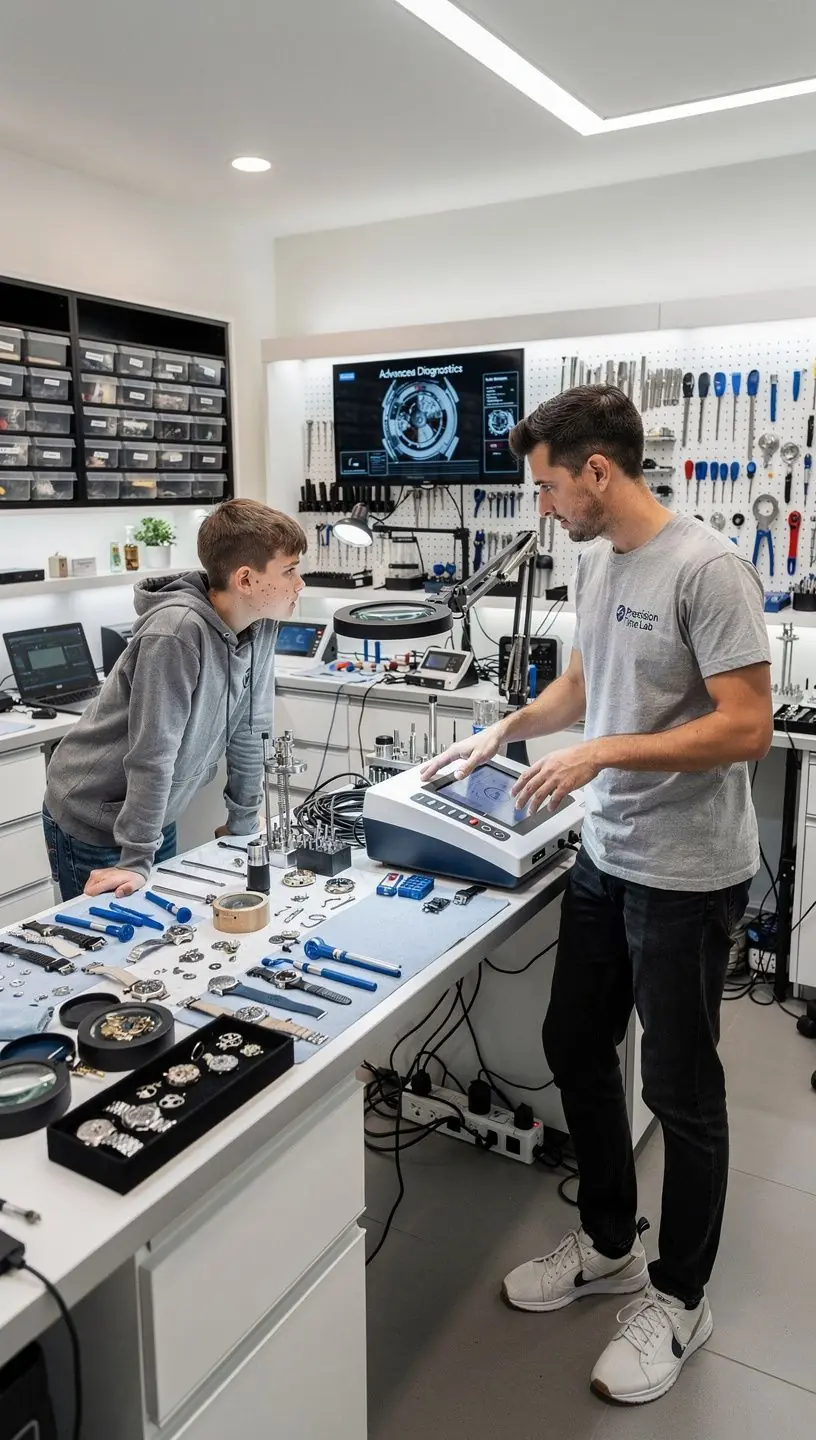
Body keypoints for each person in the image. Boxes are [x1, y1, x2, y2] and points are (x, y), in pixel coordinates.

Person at [421, 386, 772, 1405]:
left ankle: (681, 1298)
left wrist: (608, 751)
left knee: (681, 1091)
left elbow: (747, 725)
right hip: (607, 854)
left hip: (688, 872)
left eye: (547, 485)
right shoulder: (595, 558)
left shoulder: (709, 568)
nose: (543, 505)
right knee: (576, 1043)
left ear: (597, 473)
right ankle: (612, 1244)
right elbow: (586, 683)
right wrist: (509, 729)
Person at [43, 498, 306, 902]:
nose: (299, 583)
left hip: (149, 816)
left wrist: (243, 822)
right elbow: (153, 752)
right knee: (100, 946)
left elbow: (251, 727)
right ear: (246, 580)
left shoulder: (261, 623)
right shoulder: (176, 632)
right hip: (94, 816)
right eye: (289, 570)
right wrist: (135, 860)